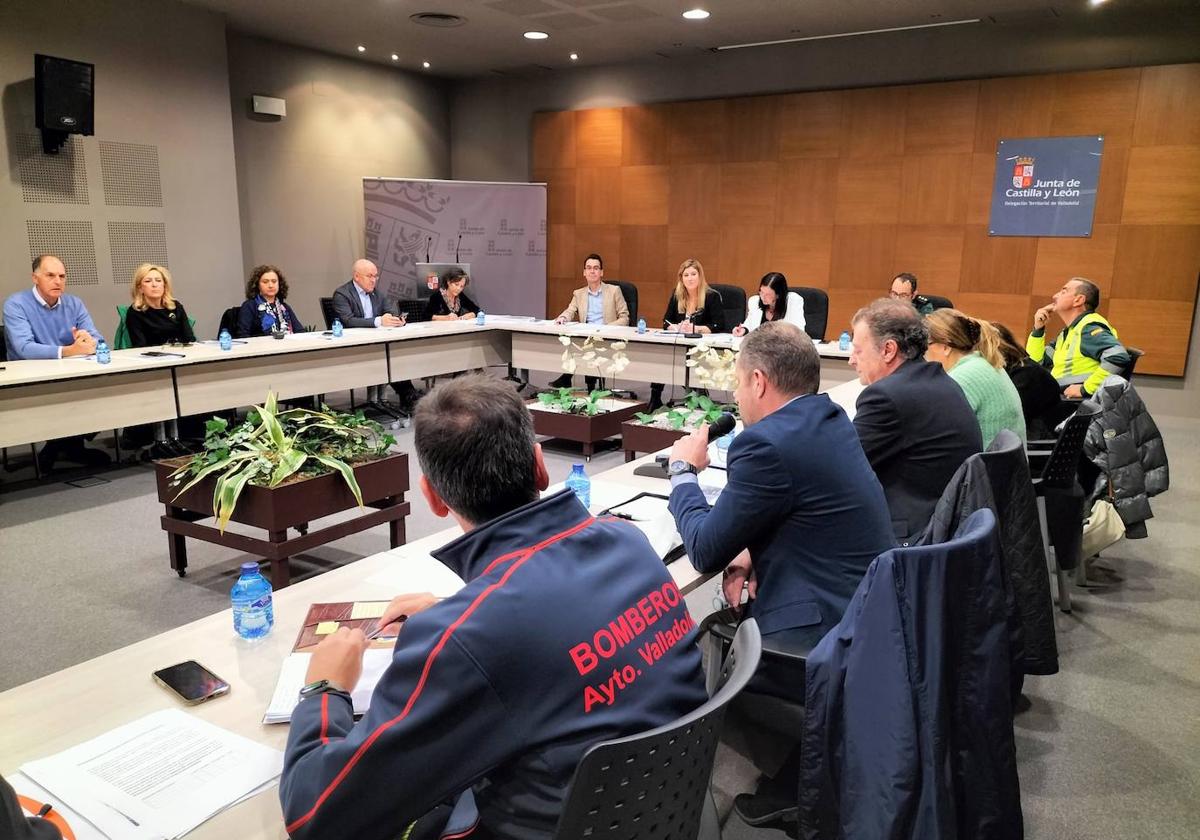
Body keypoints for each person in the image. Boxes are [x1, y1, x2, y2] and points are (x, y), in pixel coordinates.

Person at [279, 375, 707, 840]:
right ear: (541, 467)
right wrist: (459, 615)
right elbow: (546, 627)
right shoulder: (629, 541)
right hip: (662, 811)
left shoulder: (466, 638)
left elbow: (314, 817)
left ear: (433, 499)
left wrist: (325, 688)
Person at [666, 321, 894, 826]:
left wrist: (682, 471)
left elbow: (703, 550)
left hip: (824, 626)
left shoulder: (764, 445)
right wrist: (752, 547)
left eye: (738, 379)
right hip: (867, 606)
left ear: (760, 382)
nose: (735, 392)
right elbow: (805, 507)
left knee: (701, 636)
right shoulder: (826, 416)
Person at [849, 299, 982, 544]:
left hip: (913, 535)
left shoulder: (886, 397)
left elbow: (842, 467)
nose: (851, 360)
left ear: (888, 350)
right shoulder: (939, 380)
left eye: (858, 350)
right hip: (947, 526)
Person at [3, 255, 111, 470]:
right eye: (50, 275)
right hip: (30, 376)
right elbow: (23, 348)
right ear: (35, 278)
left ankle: (65, 445)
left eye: (62, 276)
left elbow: (98, 339)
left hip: (70, 372)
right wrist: (70, 350)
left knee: (107, 391)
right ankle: (61, 445)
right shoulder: (16, 304)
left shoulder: (74, 303)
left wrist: (89, 341)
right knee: (63, 395)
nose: (58, 281)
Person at [925, 309, 1027, 447]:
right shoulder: (982, 363)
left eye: (926, 344)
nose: (923, 353)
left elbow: (932, 436)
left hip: (985, 467)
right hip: (1002, 466)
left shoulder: (961, 378)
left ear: (946, 346)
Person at [331, 258, 420, 409]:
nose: (374, 280)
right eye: (369, 276)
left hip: (377, 342)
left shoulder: (376, 293)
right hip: (354, 346)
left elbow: (390, 311)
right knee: (387, 356)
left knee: (394, 354)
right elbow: (348, 321)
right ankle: (407, 394)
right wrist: (378, 321)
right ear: (357, 276)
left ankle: (407, 394)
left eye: (375, 276)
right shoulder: (342, 294)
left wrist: (396, 319)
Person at [1027, 276, 1130, 399]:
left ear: (1078, 300)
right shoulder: (1071, 331)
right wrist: (1038, 330)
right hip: (1057, 396)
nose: (1055, 296)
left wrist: (1085, 389)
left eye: (1063, 291)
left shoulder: (1088, 329)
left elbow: (1118, 356)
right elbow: (1036, 363)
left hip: (1073, 403)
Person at [648, 258, 726, 411]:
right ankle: (655, 398)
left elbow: (718, 325)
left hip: (702, 347)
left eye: (693, 274)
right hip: (679, 344)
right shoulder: (677, 295)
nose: (690, 278)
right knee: (661, 356)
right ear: (681, 278)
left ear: (700, 276)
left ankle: (699, 396)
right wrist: (675, 327)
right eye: (686, 275)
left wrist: (695, 328)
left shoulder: (711, 296)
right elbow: (665, 321)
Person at [549, 253, 629, 391]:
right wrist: (562, 317)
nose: (592, 271)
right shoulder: (578, 293)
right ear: (584, 272)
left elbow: (625, 318)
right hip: (586, 336)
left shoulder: (614, 291)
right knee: (573, 343)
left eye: (596, 268)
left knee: (586, 348)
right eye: (589, 268)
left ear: (601, 272)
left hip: (606, 336)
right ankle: (582, 383)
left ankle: (571, 379)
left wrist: (606, 328)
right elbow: (570, 311)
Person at [993, 321, 1062, 439]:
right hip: (1025, 437)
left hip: (1035, 441)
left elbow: (1008, 418)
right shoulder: (1019, 367)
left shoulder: (1026, 375)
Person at [124, 263, 196, 346]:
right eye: (148, 281)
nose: (154, 285)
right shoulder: (135, 312)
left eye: (158, 280)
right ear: (140, 288)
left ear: (164, 286)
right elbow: (140, 346)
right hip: (153, 356)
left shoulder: (175, 306)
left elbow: (189, 338)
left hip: (181, 354)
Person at [236, 264, 304, 338]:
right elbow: (243, 335)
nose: (271, 285)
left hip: (287, 347)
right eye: (265, 282)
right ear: (257, 285)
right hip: (261, 348)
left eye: (274, 281)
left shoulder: (284, 307)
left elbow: (300, 331)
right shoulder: (249, 306)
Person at [731, 272, 806, 337]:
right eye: (761, 292)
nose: (762, 297)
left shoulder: (793, 301)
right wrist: (744, 330)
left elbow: (798, 331)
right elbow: (749, 324)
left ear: (778, 295)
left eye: (768, 294)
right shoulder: (754, 301)